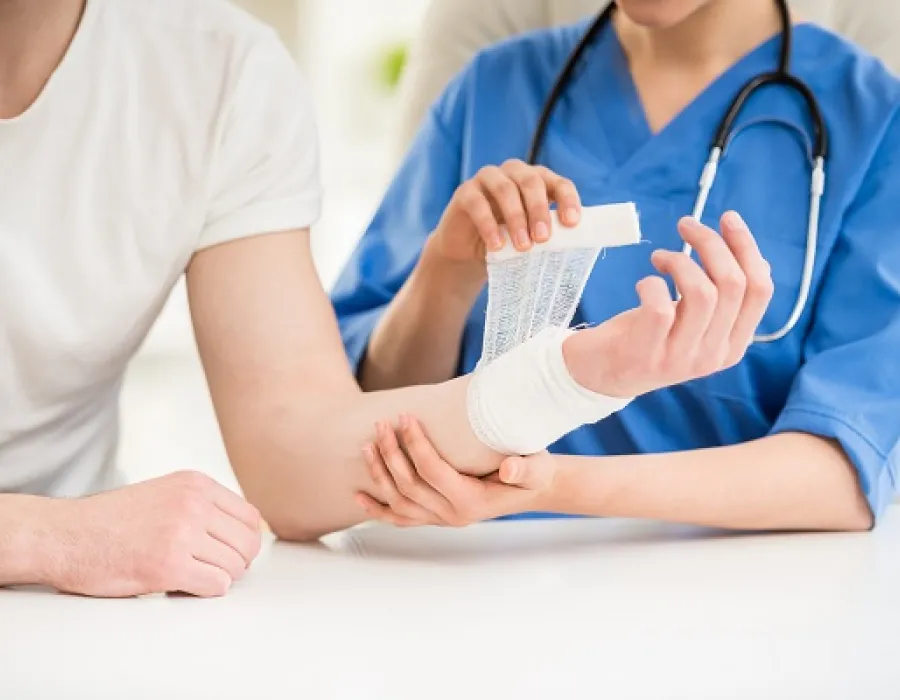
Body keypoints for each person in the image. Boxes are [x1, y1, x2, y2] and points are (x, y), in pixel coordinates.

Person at [0, 0, 767, 598]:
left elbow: (294, 457)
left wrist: (578, 374)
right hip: (77, 562)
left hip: (78, 608)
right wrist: (49, 536)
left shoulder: (219, 70)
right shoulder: (492, 83)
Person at [331, 0, 900, 530]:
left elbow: (847, 466)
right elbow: (364, 410)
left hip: (727, 592)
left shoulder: (874, 120)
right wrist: (447, 274)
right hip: (458, 576)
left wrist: (549, 487)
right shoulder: (494, 88)